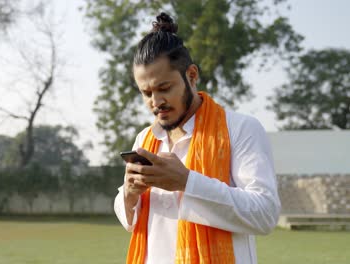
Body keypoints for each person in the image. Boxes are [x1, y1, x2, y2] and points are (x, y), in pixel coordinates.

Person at [114, 12, 280, 264]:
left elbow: (265, 214)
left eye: (164, 88)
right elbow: (131, 218)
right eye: (146, 93)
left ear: (191, 75)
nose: (155, 102)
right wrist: (129, 193)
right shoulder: (145, 139)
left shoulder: (240, 129)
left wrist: (187, 182)